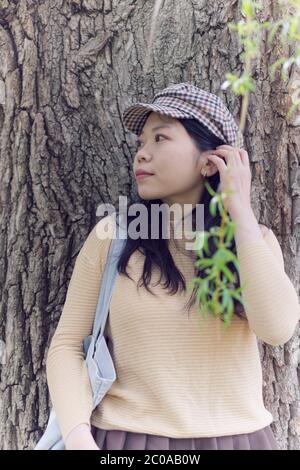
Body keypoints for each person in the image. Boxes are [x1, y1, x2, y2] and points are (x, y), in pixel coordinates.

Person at [45, 83, 300, 450]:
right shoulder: (113, 237)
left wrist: (240, 211)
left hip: (239, 440)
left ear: (210, 159)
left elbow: (277, 330)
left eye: (160, 138)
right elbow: (67, 345)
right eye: (140, 144)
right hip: (126, 441)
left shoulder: (254, 242)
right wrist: (78, 436)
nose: (142, 155)